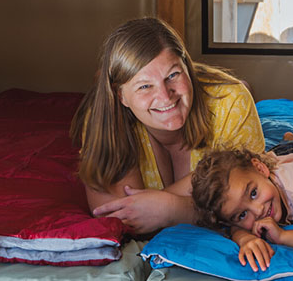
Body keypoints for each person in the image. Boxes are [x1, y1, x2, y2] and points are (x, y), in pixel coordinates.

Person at [71, 17, 265, 234]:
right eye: (145, 86)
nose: (165, 96)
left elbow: (251, 201)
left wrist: (175, 210)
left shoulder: (231, 101)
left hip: (217, 94)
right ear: (121, 96)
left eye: (173, 75)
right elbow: (119, 217)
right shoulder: (105, 118)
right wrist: (206, 202)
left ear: (187, 68)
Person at [191, 149, 293, 272]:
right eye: (242, 214)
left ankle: (290, 139)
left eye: (253, 193)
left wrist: (283, 236)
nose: (258, 211)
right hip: (283, 162)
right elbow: (234, 227)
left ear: (260, 169)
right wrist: (245, 239)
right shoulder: (246, 201)